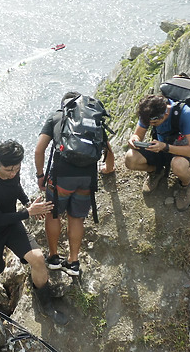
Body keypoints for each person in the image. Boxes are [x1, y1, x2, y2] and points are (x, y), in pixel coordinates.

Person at [0, 139, 68, 325]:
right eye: (9, 170)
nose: (13, 173)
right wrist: (28, 213)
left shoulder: (13, 171)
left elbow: (16, 187)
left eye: (17, 169)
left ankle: (46, 305)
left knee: (38, 258)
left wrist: (27, 203)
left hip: (11, 225)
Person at [34, 92, 115, 277]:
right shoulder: (92, 118)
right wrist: (108, 168)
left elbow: (39, 150)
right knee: (76, 218)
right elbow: (107, 149)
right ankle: (73, 261)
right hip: (87, 177)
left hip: (61, 176)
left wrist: (40, 176)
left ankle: (54, 258)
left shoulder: (57, 116)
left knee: (54, 214)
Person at [124, 94, 190, 211]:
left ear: (165, 114)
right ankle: (156, 171)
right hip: (160, 148)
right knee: (130, 159)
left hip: (180, 150)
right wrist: (135, 138)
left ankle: (186, 184)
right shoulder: (150, 112)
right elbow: (138, 134)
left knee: (178, 166)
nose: (150, 126)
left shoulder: (185, 113)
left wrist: (165, 147)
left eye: (153, 124)